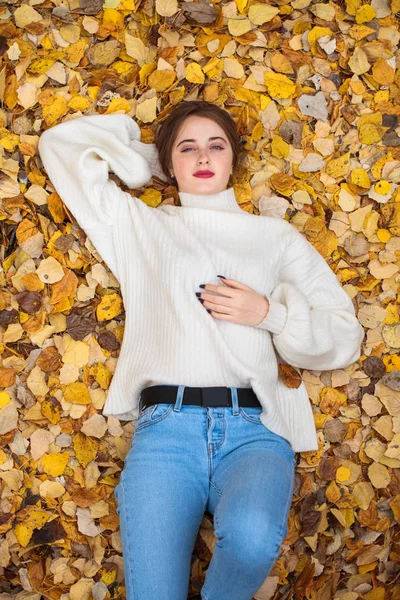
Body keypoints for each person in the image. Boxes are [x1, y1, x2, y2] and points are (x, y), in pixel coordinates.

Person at [38, 100, 364, 600]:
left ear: (235, 157)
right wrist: (152, 159)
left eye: (217, 146)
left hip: (254, 430)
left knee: (255, 540)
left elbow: (344, 334)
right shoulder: (139, 226)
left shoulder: (276, 238)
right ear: (170, 164)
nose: (204, 157)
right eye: (187, 149)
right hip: (167, 429)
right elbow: (61, 145)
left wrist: (269, 315)